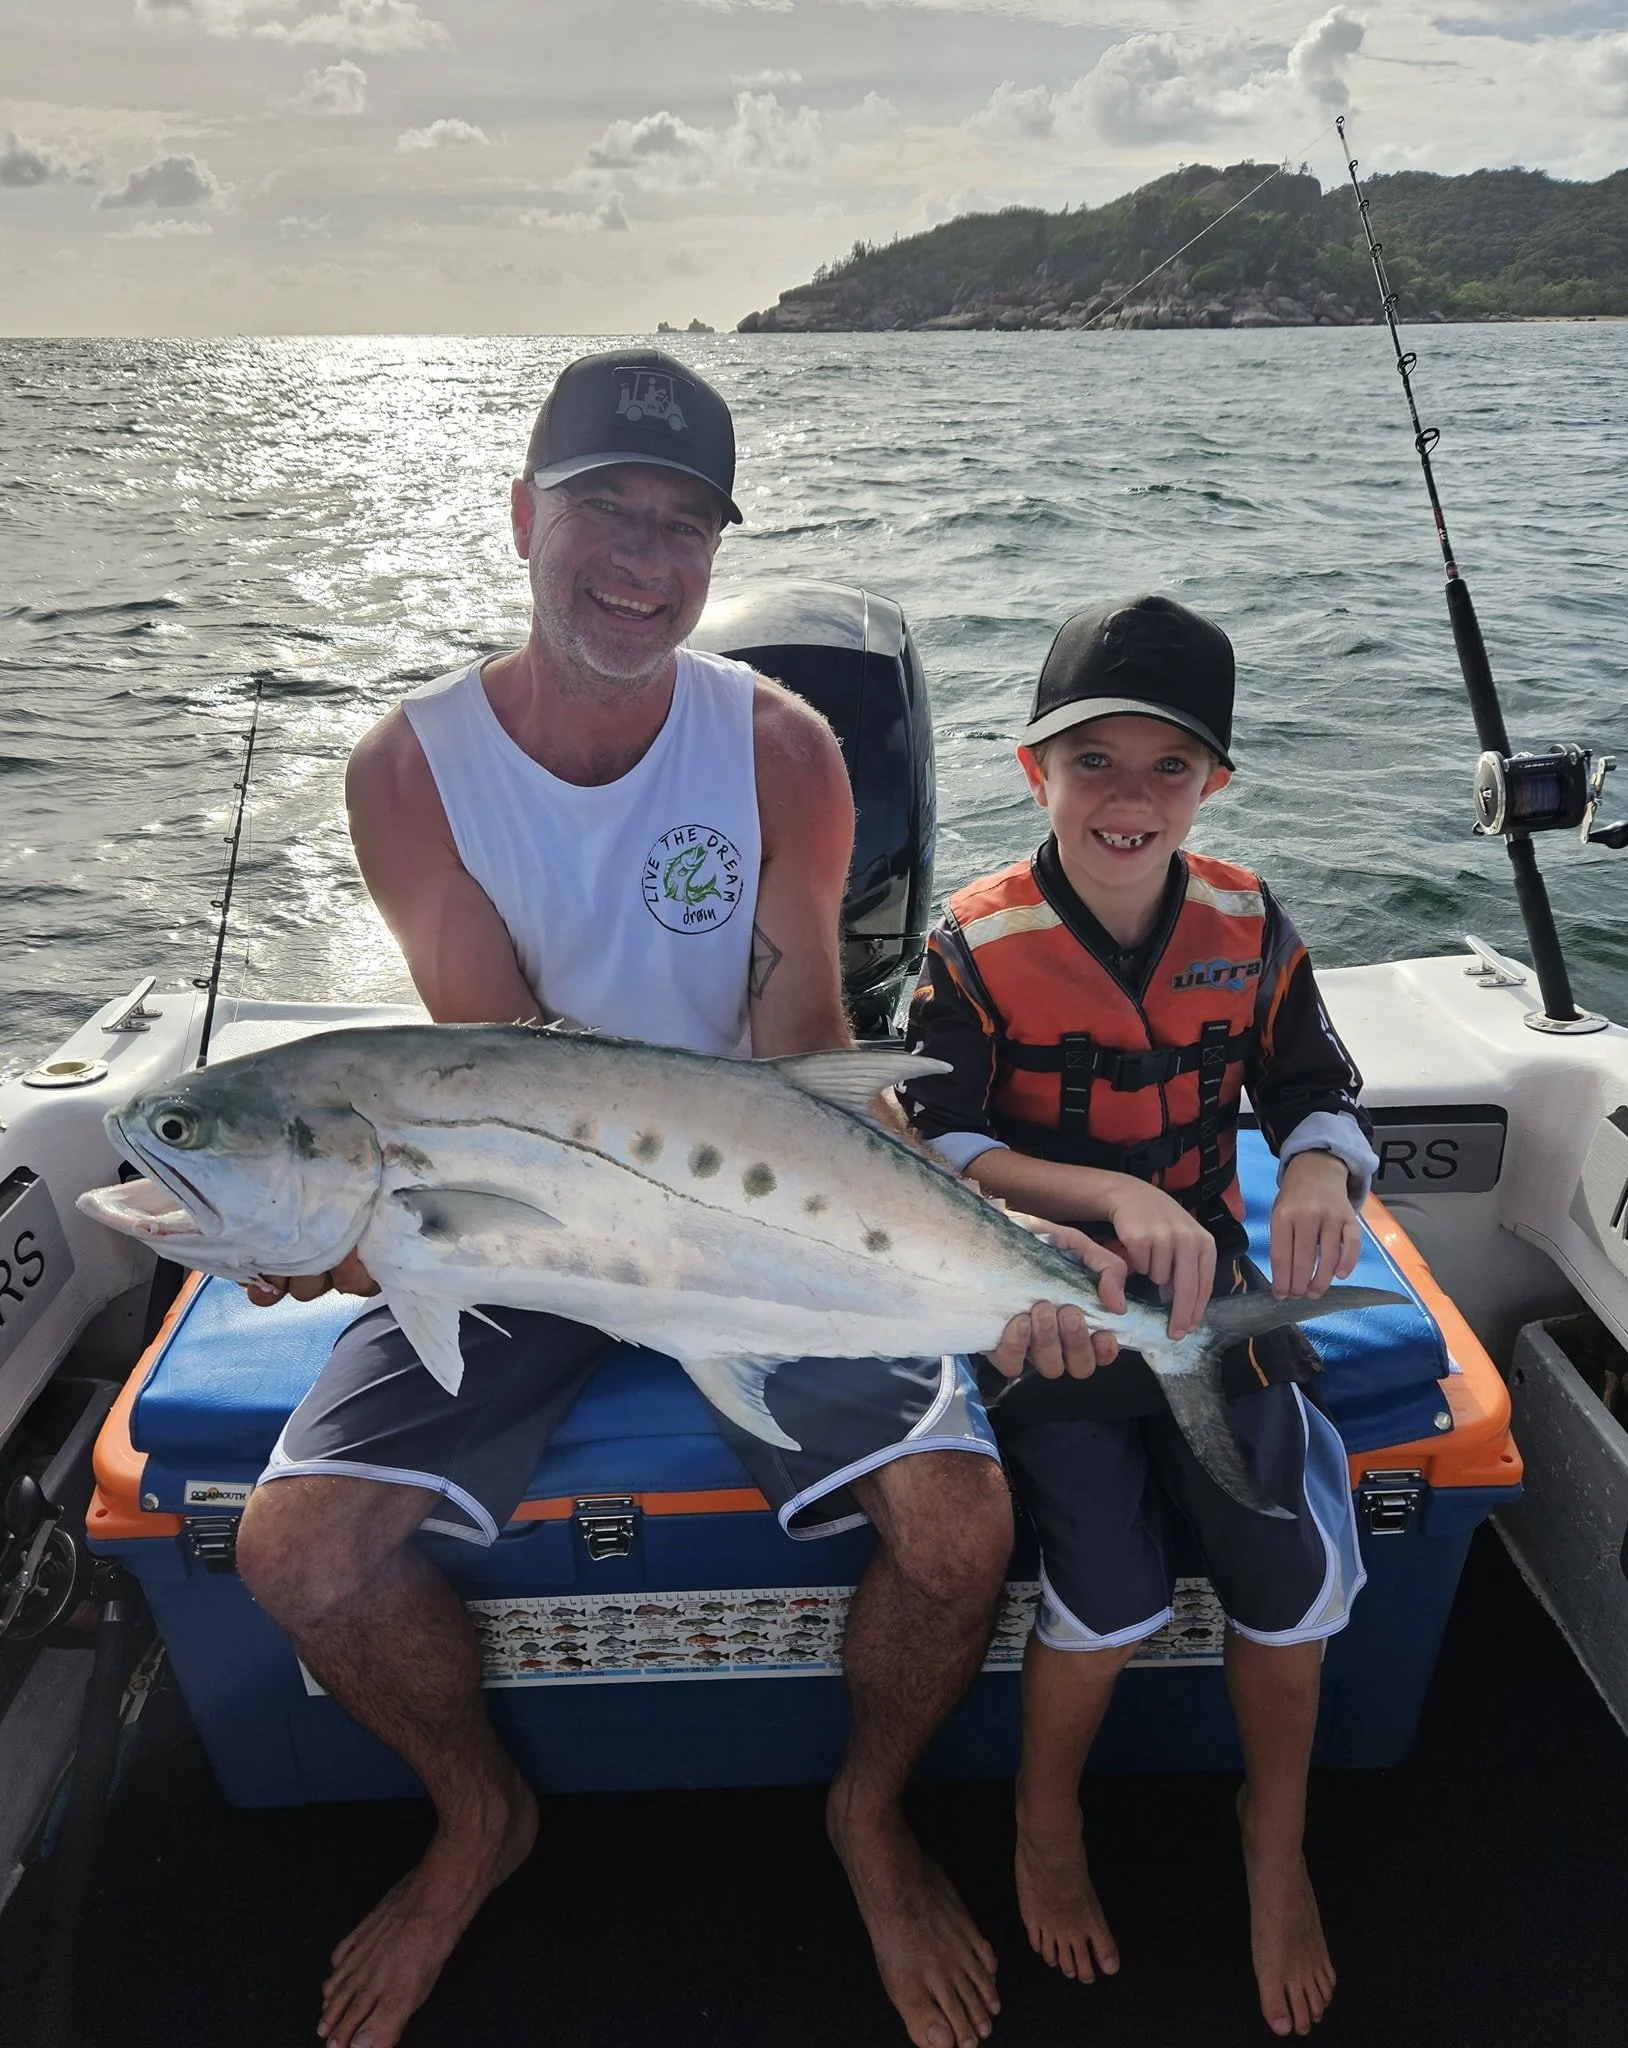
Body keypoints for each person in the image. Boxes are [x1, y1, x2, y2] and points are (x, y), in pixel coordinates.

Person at [231, 349, 1128, 2048]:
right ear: (519, 518)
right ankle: (480, 1817)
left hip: (753, 1211)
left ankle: (866, 1814)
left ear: (714, 556)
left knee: (961, 1528)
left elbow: (803, 1048)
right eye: (601, 511)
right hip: (524, 1218)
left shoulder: (780, 746)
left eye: (681, 523)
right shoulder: (409, 772)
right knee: (299, 1556)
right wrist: (331, 1229)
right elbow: (477, 1071)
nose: (640, 559)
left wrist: (981, 1236)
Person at [899, 594, 1378, 2041]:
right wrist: (1106, 1190)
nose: (1127, 796)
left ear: (1212, 784)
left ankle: (1271, 1842)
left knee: (1288, 1589)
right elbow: (940, 1143)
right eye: (1090, 759)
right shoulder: (966, 945)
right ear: (1030, 768)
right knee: (1098, 1600)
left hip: (1215, 1308)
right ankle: (1046, 1831)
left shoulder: (1250, 920)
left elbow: (1316, 1092)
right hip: (1043, 1310)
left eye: (1166, 766)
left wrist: (1309, 1171)